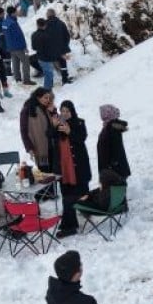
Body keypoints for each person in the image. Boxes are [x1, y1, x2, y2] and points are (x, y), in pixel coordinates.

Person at [52, 101, 91, 238]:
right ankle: (70, 224)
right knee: (67, 196)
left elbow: (82, 138)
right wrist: (53, 127)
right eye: (62, 111)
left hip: (78, 166)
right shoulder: (57, 125)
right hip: (64, 167)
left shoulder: (79, 123)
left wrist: (70, 132)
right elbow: (49, 138)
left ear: (72, 111)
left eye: (67, 111)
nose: (64, 113)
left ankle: (84, 213)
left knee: (81, 192)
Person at [20, 88, 58, 171]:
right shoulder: (27, 110)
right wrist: (29, 147)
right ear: (38, 97)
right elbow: (24, 131)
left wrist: (53, 111)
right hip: (39, 148)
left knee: (54, 173)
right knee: (44, 173)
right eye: (45, 98)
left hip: (52, 146)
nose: (47, 100)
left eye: (49, 98)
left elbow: (57, 123)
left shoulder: (48, 108)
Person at [3, 6, 32, 86]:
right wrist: (24, 47)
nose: (17, 13)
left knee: (15, 63)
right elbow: (19, 36)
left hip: (10, 47)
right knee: (26, 62)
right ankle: (26, 80)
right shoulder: (13, 23)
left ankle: (17, 79)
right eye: (16, 12)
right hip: (18, 47)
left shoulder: (5, 22)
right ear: (12, 13)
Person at [45, 8, 74, 85]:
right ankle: (65, 79)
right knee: (63, 64)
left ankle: (49, 83)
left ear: (48, 15)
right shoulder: (61, 23)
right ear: (54, 14)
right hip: (61, 49)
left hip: (50, 50)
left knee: (49, 65)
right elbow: (67, 36)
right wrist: (65, 45)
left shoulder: (45, 25)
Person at [30, 18, 60, 91]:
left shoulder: (34, 35)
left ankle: (49, 86)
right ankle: (46, 90)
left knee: (48, 74)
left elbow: (33, 47)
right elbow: (52, 48)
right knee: (48, 75)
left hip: (39, 56)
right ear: (45, 25)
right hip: (48, 58)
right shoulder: (47, 35)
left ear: (37, 25)